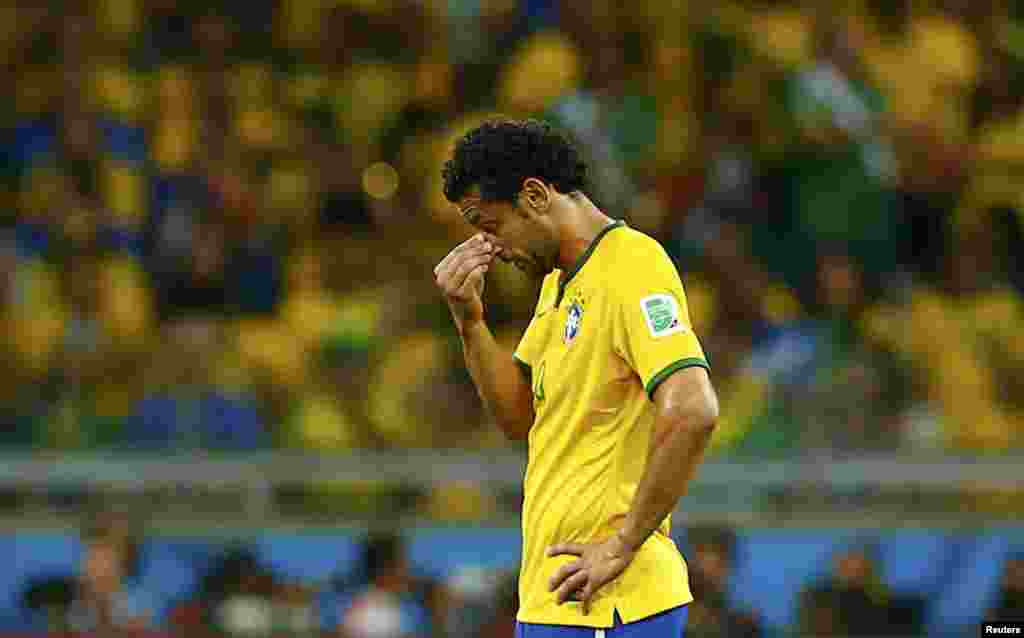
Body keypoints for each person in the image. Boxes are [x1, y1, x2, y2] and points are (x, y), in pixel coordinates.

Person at [434, 119, 719, 636]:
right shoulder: (558, 285)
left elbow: (694, 409)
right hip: (556, 601)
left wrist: (623, 542)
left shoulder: (633, 264)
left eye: (490, 225)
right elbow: (519, 418)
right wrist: (470, 321)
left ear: (536, 195)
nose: (489, 247)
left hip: (610, 603)